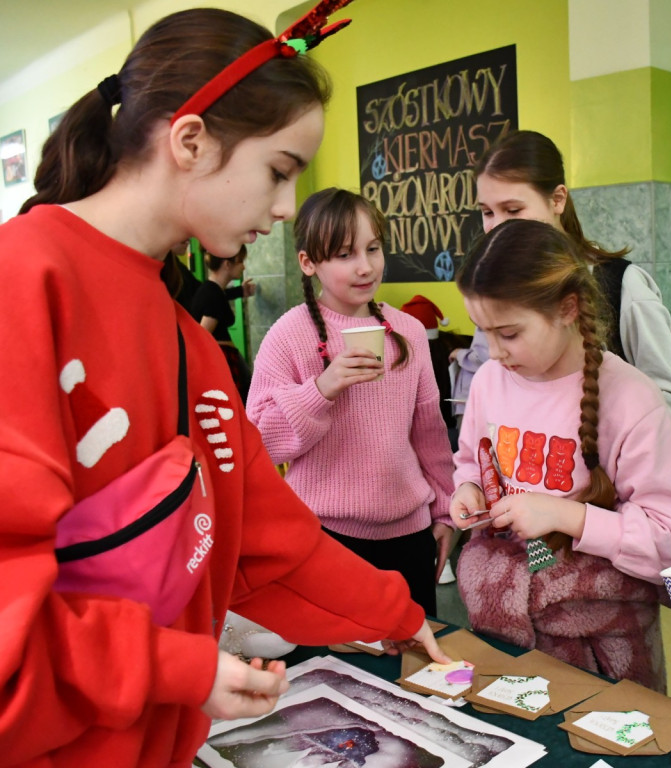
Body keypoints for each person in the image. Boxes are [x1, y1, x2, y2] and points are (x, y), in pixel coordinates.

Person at [0, 8, 447, 765]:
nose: (283, 208)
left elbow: (267, 541)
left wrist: (395, 611)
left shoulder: (189, 344)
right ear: (190, 140)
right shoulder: (25, 283)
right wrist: (183, 665)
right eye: (279, 171)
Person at [450, 218, 671, 692]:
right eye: (483, 333)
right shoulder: (488, 380)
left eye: (509, 333)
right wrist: (466, 488)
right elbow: (470, 459)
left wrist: (568, 517)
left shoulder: (630, 398)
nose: (495, 352)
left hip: (604, 639)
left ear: (567, 308)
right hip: (507, 627)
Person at [246, 188, 455, 616]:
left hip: (410, 538)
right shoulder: (288, 336)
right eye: (344, 255)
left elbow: (430, 434)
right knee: (337, 669)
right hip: (323, 539)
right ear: (308, 263)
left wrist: (446, 512)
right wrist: (321, 389)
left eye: (373, 249)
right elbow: (260, 441)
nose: (365, 266)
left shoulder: (410, 331)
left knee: (414, 669)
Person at [450, 129, 671, 433]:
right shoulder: (494, 284)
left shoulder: (621, 284)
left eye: (513, 210)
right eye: (487, 212)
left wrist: (593, 443)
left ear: (557, 199)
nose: (498, 226)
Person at [191, 244, 255, 402]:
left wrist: (240, 291)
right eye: (240, 261)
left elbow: (220, 297)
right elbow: (201, 335)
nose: (243, 266)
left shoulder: (211, 290)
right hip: (223, 361)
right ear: (227, 264)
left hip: (225, 360)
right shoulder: (213, 294)